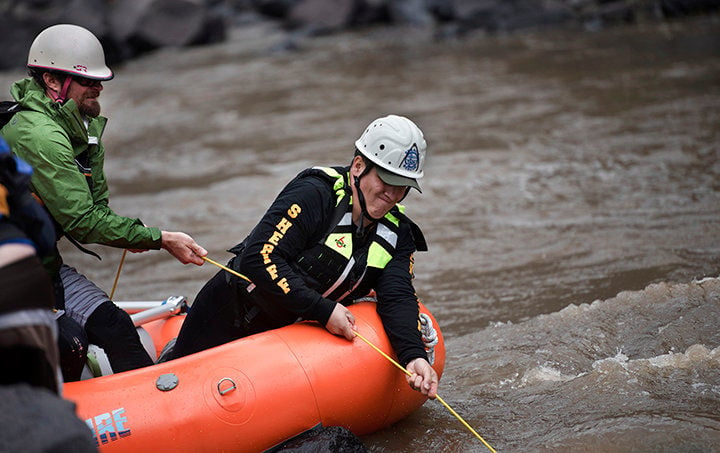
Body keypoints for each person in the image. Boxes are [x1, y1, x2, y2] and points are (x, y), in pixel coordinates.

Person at [171, 114, 438, 397]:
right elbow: (258, 258)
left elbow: (397, 296)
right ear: (358, 166)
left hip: (294, 341)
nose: (392, 194)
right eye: (386, 180)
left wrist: (413, 355)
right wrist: (322, 310)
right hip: (232, 316)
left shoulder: (399, 233)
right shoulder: (315, 195)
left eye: (402, 186)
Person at [0, 24, 207, 380]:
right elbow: (83, 221)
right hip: (14, 276)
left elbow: (97, 206)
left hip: (45, 267)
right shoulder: (39, 135)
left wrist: (91, 138)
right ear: (52, 81)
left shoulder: (80, 127)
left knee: (117, 328)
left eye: (100, 81)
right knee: (70, 344)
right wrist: (158, 238)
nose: (98, 88)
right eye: (88, 82)